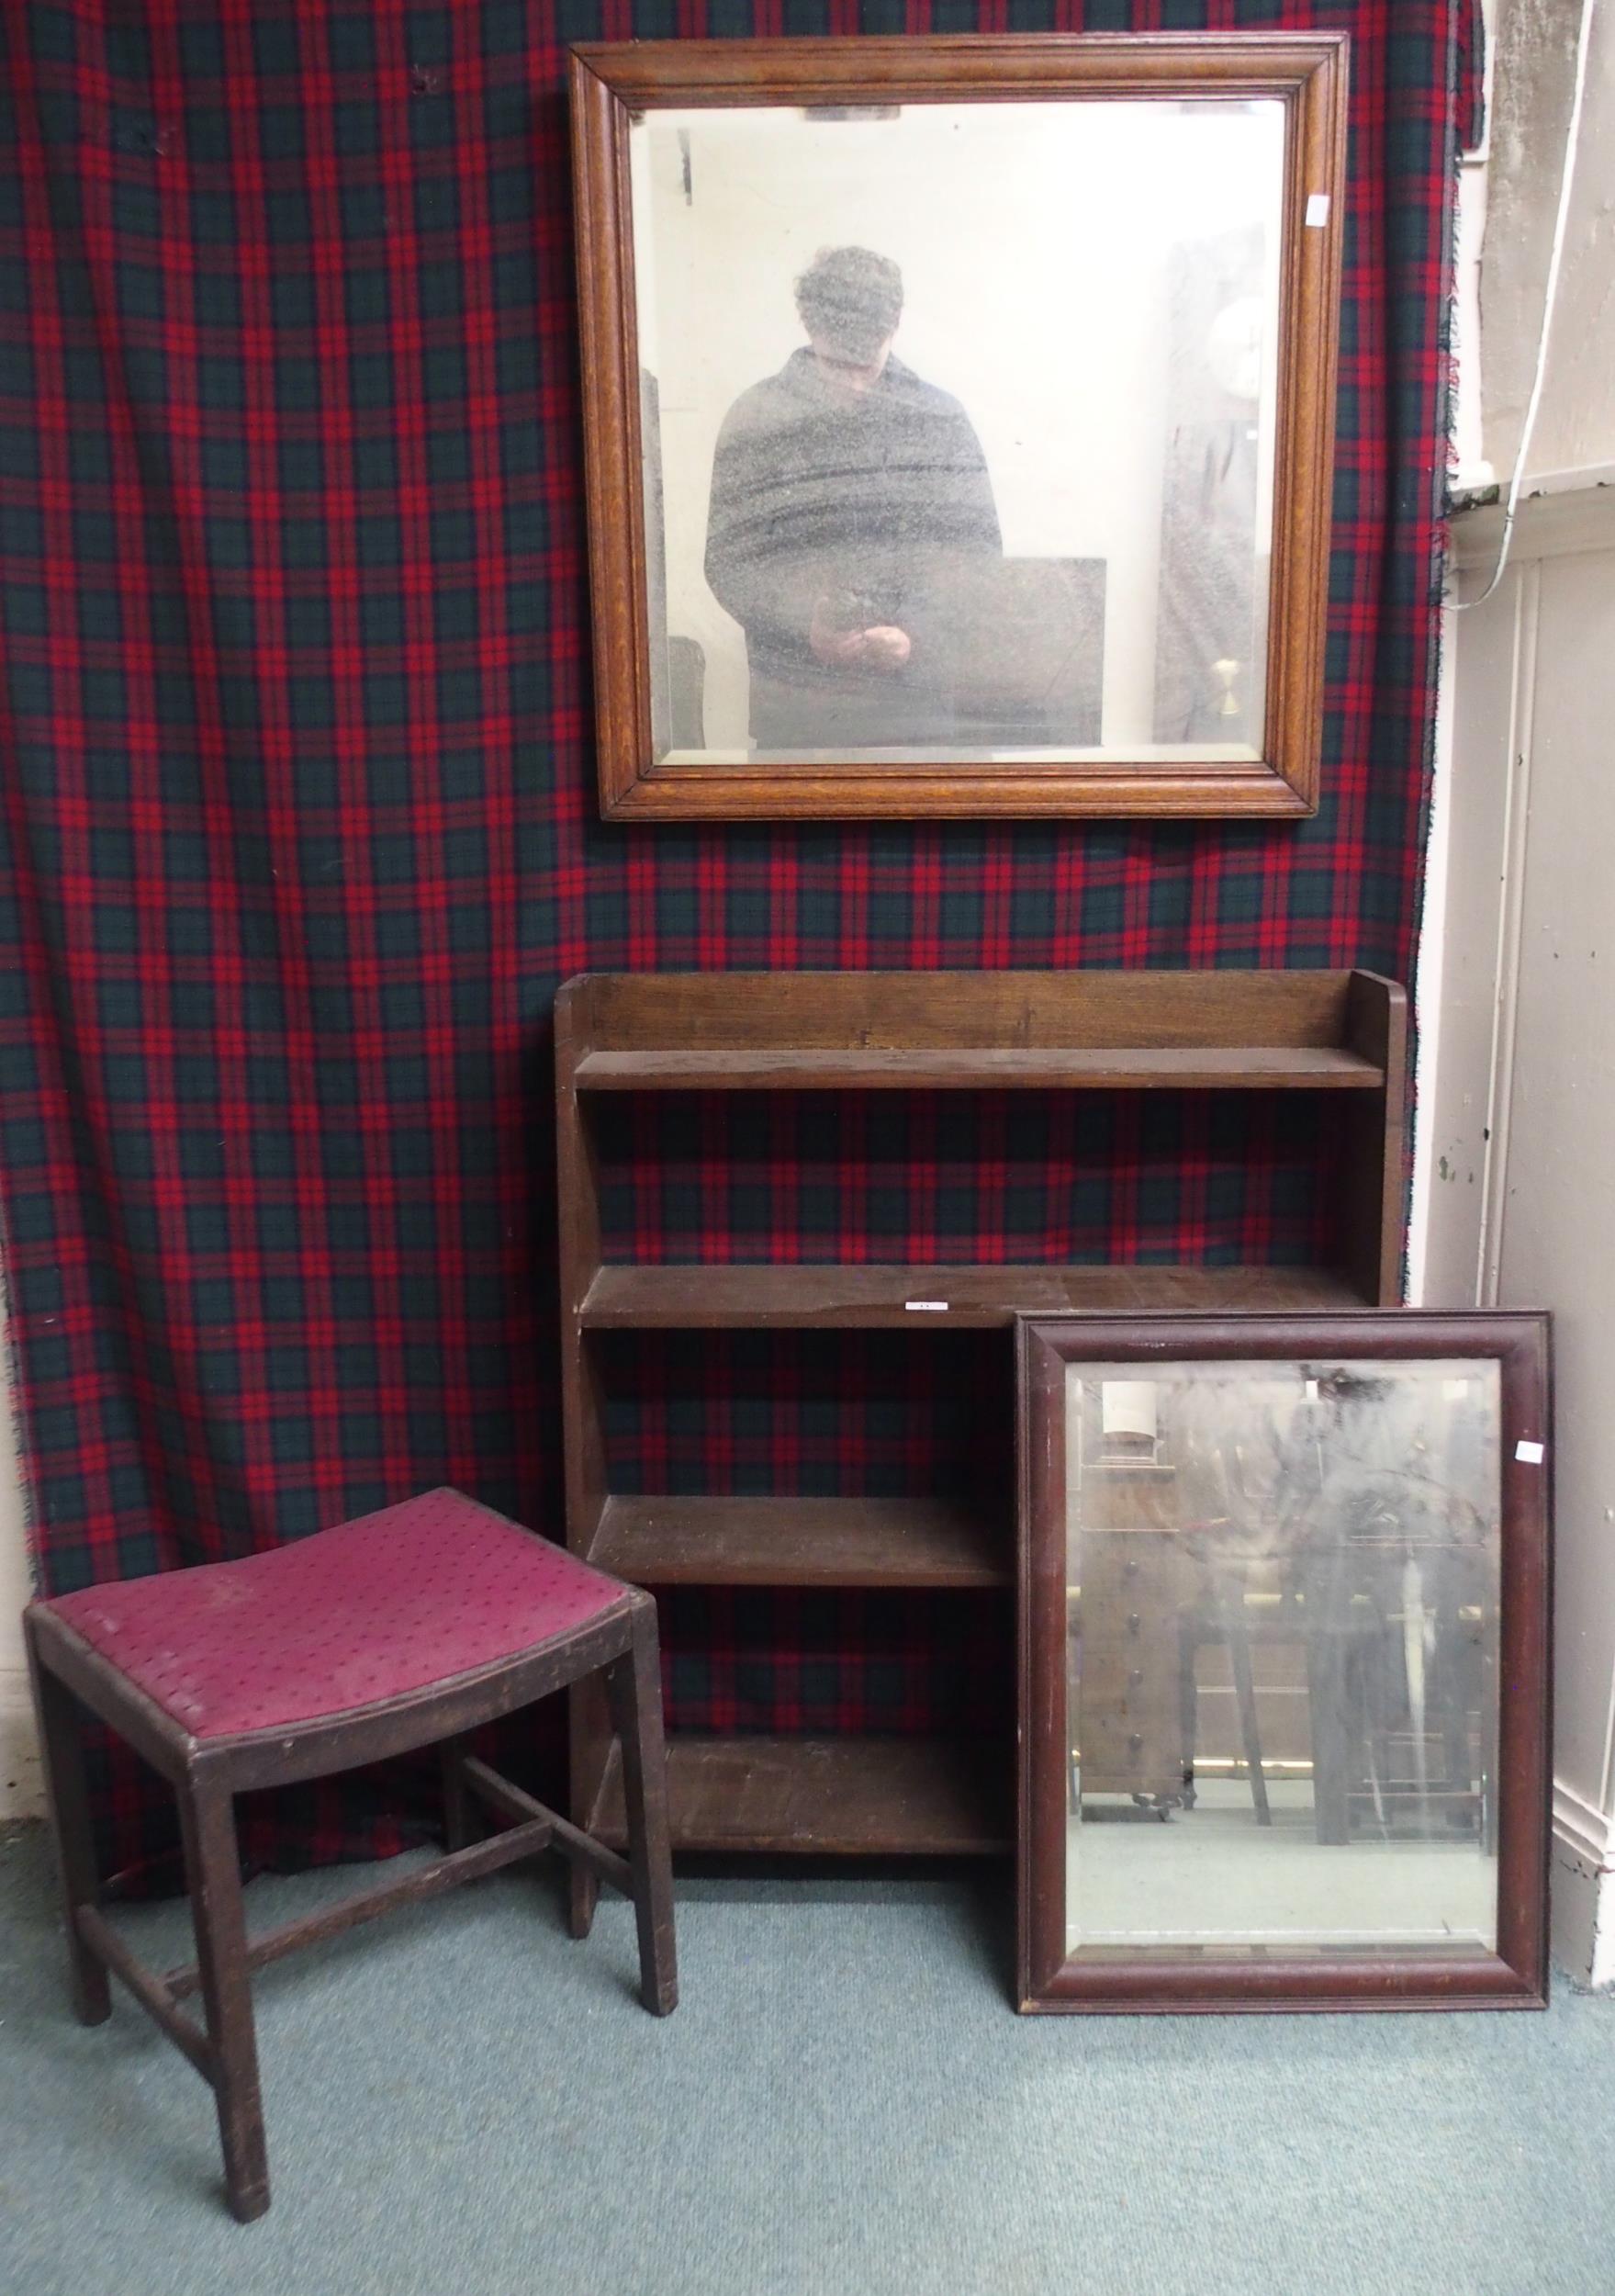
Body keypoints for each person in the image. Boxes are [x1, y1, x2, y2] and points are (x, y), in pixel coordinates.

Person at [703, 245, 1001, 750]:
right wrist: (805, 625)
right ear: (808, 325)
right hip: (799, 711)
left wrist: (916, 636)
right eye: (838, 363)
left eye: (866, 361)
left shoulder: (941, 419)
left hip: (920, 712)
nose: (854, 380)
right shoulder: (755, 417)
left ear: (895, 324)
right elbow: (727, 560)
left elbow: (978, 558)